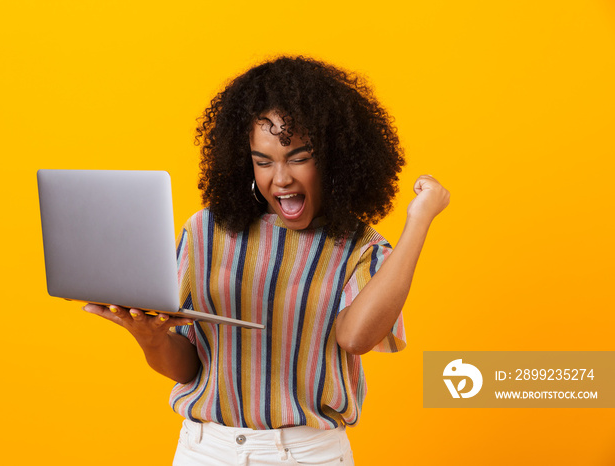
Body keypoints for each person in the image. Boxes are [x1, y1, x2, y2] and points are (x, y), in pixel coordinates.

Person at [83, 56, 450, 465]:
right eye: (263, 161)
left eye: (298, 157)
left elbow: (356, 338)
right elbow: (188, 368)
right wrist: (149, 338)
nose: (281, 179)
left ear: (333, 157)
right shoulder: (205, 231)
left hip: (308, 455)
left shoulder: (361, 247)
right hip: (205, 451)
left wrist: (418, 222)